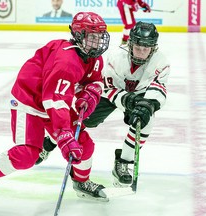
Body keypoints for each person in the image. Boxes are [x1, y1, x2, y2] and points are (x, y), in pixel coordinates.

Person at [0, 11, 110, 209]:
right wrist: (64, 134)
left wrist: (91, 92)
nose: (98, 42)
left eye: (100, 36)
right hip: (30, 101)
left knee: (84, 145)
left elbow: (94, 79)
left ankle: (82, 182)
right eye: (92, 37)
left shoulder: (93, 57)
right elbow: (56, 101)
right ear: (78, 35)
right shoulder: (66, 62)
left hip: (52, 100)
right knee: (27, 155)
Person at [36, 21, 170, 188]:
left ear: (153, 47)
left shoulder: (161, 62)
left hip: (139, 96)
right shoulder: (117, 57)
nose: (141, 52)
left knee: (145, 122)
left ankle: (123, 162)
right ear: (130, 44)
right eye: (137, 47)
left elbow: (158, 88)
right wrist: (127, 101)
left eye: (146, 48)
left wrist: (148, 106)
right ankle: (48, 142)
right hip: (114, 94)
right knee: (83, 119)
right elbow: (107, 87)